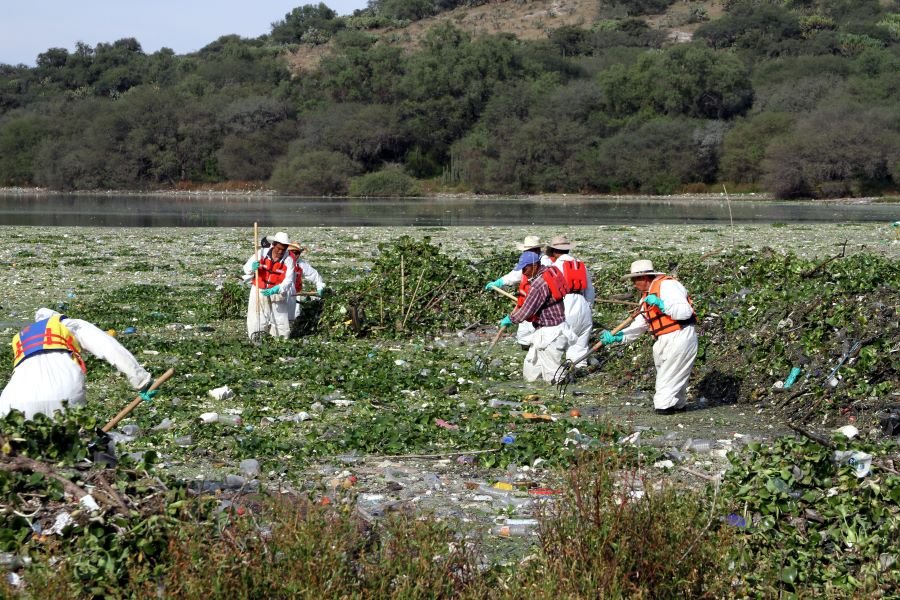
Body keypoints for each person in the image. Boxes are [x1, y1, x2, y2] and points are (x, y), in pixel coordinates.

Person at [0, 308, 153, 420]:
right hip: (63, 396)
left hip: (12, 404)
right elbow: (109, 347)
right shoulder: (67, 324)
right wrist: (141, 380)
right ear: (57, 317)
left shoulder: (20, 338)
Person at [601, 260, 698, 414]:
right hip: (662, 340)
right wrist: (618, 337)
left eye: (634, 280)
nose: (633, 284)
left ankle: (664, 412)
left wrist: (662, 304)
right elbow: (640, 325)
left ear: (644, 277)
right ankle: (679, 409)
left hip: (680, 336)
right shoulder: (645, 298)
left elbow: (685, 312)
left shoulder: (668, 286)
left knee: (663, 393)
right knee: (674, 385)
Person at [498, 250, 570, 382]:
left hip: (551, 332)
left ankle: (560, 395)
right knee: (531, 371)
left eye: (525, 268)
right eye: (522, 269)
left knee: (553, 375)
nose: (523, 272)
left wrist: (510, 319)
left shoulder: (538, 284)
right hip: (546, 329)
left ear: (534, 265)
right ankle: (535, 396)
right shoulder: (550, 271)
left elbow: (526, 311)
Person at [484, 235, 553, 349]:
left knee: (537, 334)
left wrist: (511, 319)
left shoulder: (543, 262)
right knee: (524, 338)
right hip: (527, 299)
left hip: (539, 302)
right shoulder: (529, 260)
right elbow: (516, 274)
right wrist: (499, 282)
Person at [544, 235, 595, 366]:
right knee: (580, 347)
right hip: (582, 305)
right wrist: (587, 307)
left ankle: (558, 373)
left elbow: (548, 292)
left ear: (554, 252)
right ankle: (579, 370)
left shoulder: (554, 268)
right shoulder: (579, 265)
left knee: (558, 345)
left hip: (566, 305)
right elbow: (590, 291)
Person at [243, 231, 295, 340]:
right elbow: (246, 269)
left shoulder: (288, 260)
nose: (280, 252)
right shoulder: (260, 253)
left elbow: (289, 280)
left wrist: (278, 288)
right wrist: (253, 267)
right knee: (257, 316)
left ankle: (280, 340)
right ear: (274, 245)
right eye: (278, 248)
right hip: (259, 289)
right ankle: (257, 338)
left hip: (277, 291)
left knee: (280, 319)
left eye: (283, 249)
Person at [286, 241, 326, 323]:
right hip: (280, 294)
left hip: (294, 294)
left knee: (292, 318)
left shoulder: (300, 264)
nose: (296, 255)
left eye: (298, 253)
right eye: (294, 253)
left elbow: (315, 276)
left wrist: (320, 288)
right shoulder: (281, 261)